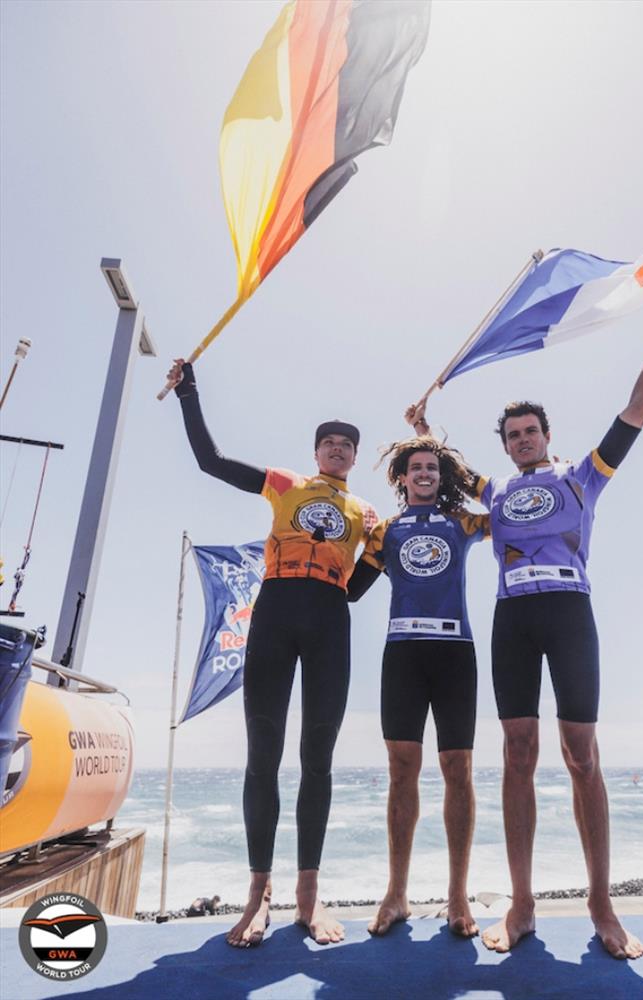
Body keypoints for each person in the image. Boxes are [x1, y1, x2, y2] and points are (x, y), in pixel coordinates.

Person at [429, 264, 643, 958]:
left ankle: (600, 904)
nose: (523, 439)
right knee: (518, 753)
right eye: (513, 435)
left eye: (531, 431)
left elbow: (641, 404)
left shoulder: (582, 476)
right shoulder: (494, 491)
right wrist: (424, 430)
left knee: (582, 753)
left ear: (547, 436)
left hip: (569, 614)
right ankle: (523, 904)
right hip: (512, 620)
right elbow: (437, 466)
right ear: (503, 447)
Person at [166, 360, 377, 948]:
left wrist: (380, 549)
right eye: (329, 442)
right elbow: (212, 462)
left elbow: (361, 585)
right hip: (276, 614)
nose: (337, 450)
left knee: (318, 758)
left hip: (330, 621)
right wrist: (190, 392)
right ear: (316, 453)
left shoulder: (365, 514)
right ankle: (258, 895)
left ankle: (309, 896)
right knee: (263, 753)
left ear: (355, 459)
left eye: (346, 445)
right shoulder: (285, 484)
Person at [347, 430, 489, 938]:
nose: (425, 473)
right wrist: (353, 536)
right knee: (401, 767)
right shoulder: (384, 531)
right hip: (403, 655)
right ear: (402, 478)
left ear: (441, 476)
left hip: (455, 653)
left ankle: (457, 897)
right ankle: (396, 894)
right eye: (417, 468)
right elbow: (351, 592)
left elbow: (511, 519)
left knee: (458, 768)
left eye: (432, 467)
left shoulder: (463, 521)